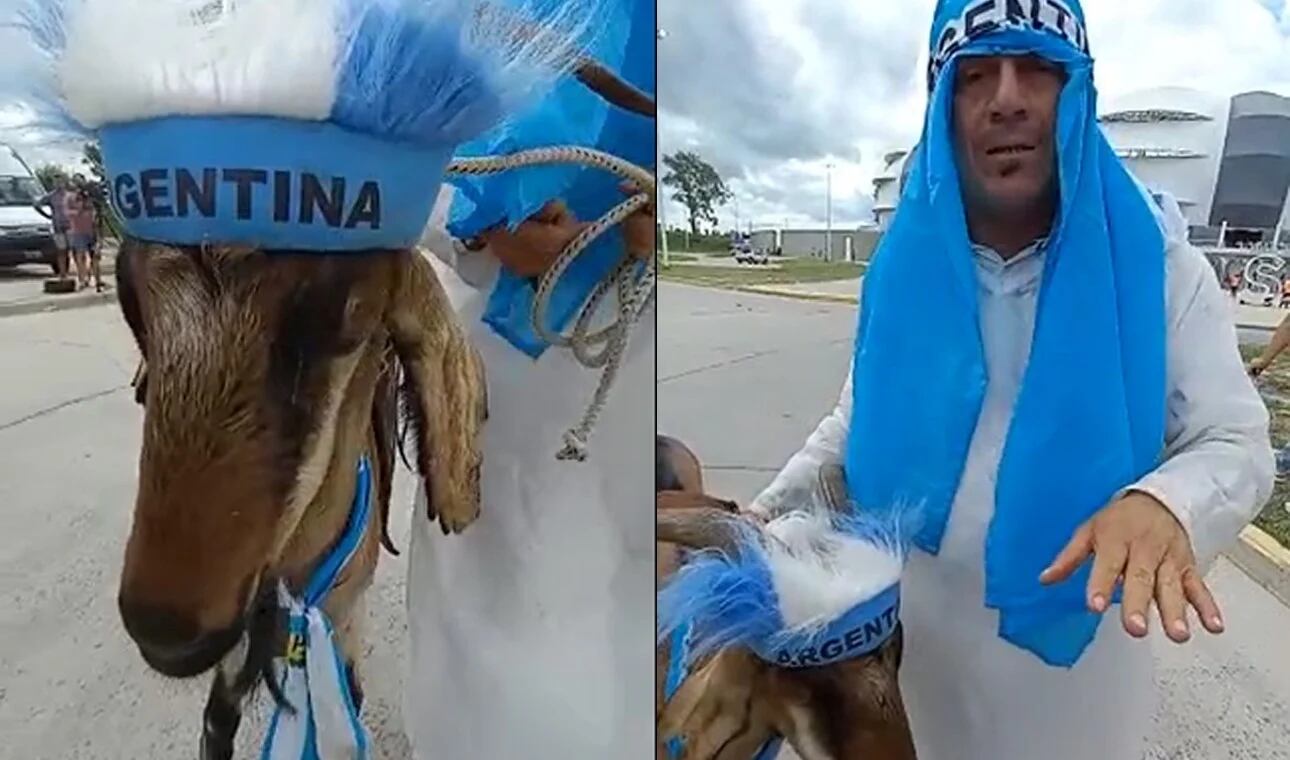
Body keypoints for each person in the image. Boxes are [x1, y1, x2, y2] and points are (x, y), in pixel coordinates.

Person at [744, 2, 1274, 759]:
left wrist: (1164, 504)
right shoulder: (902, 273)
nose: (1007, 98)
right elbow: (850, 428)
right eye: (975, 75)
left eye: (1038, 69)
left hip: (1077, 681)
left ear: (1078, 93)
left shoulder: (1161, 271)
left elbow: (1234, 442)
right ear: (942, 103)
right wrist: (762, 519)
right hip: (907, 660)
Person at [402, 0, 655, 755]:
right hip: (505, 355)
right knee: (490, 611)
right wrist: (478, 224)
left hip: (636, 348)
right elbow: (373, 157)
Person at [33, 175, 70, 279]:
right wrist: (48, 216)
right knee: (61, 250)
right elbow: (37, 205)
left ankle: (80, 274)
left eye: (60, 181)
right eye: (56, 182)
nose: (58, 184)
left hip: (71, 226)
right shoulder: (51, 196)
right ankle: (63, 274)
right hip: (58, 226)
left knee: (73, 250)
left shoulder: (70, 195)